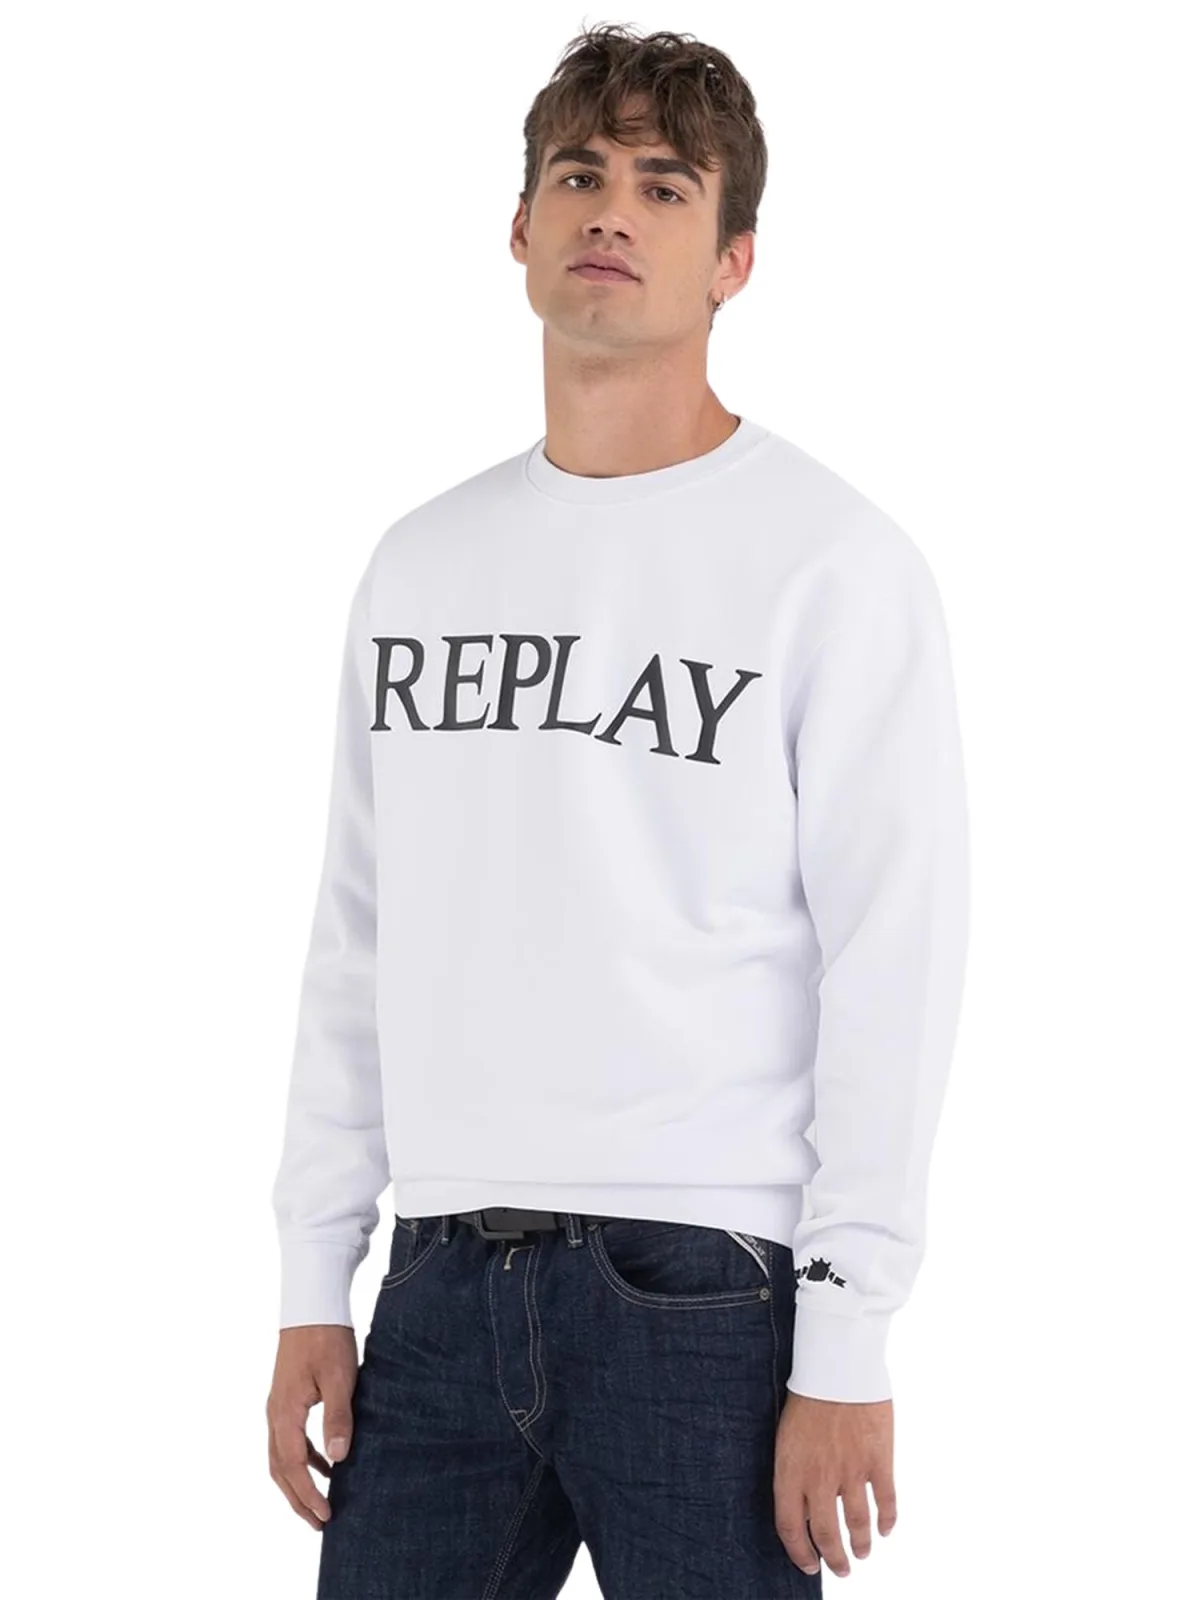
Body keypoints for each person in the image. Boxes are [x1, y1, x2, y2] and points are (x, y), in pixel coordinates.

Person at [265, 22, 970, 1598]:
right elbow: (357, 935)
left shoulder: (831, 565)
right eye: (579, 176)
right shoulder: (421, 564)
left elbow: (893, 954)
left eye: (665, 185)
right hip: (439, 1288)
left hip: (704, 1292)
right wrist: (318, 1274)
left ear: (733, 263)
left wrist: (847, 1338)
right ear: (519, 228)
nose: (611, 212)